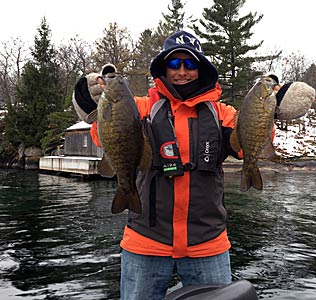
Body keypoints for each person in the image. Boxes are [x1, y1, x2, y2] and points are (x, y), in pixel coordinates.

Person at [73, 30, 243, 300]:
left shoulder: (223, 113)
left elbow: (248, 142)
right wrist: (86, 96)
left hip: (207, 244)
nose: (182, 71)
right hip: (145, 242)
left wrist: (272, 111)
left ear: (202, 69)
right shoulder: (139, 107)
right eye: (174, 64)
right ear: (164, 68)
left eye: (190, 64)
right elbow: (100, 130)